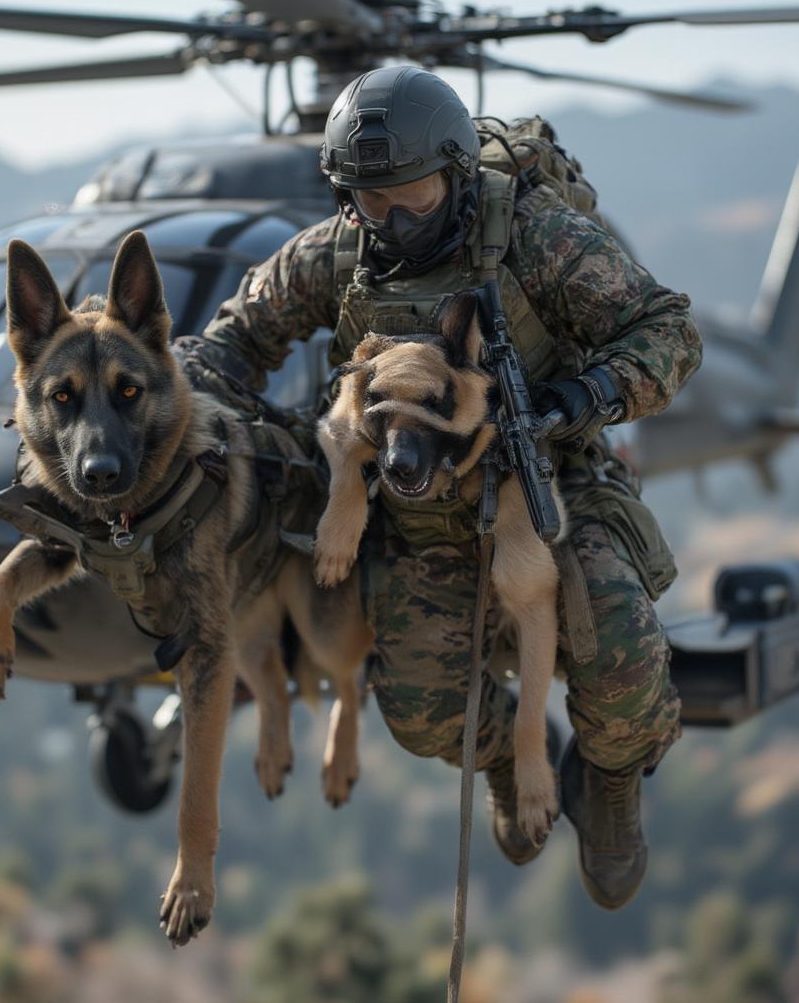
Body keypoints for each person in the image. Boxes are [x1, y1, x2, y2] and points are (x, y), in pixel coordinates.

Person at [177, 65, 703, 910]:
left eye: (414, 194)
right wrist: (186, 401)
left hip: (550, 484)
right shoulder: (343, 252)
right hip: (416, 508)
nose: (393, 219)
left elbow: (667, 329)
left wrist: (583, 397)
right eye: (370, 199)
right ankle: (503, 761)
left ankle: (608, 778)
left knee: (625, 667)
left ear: (457, 173)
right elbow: (241, 333)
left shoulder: (534, 237)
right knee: (423, 715)